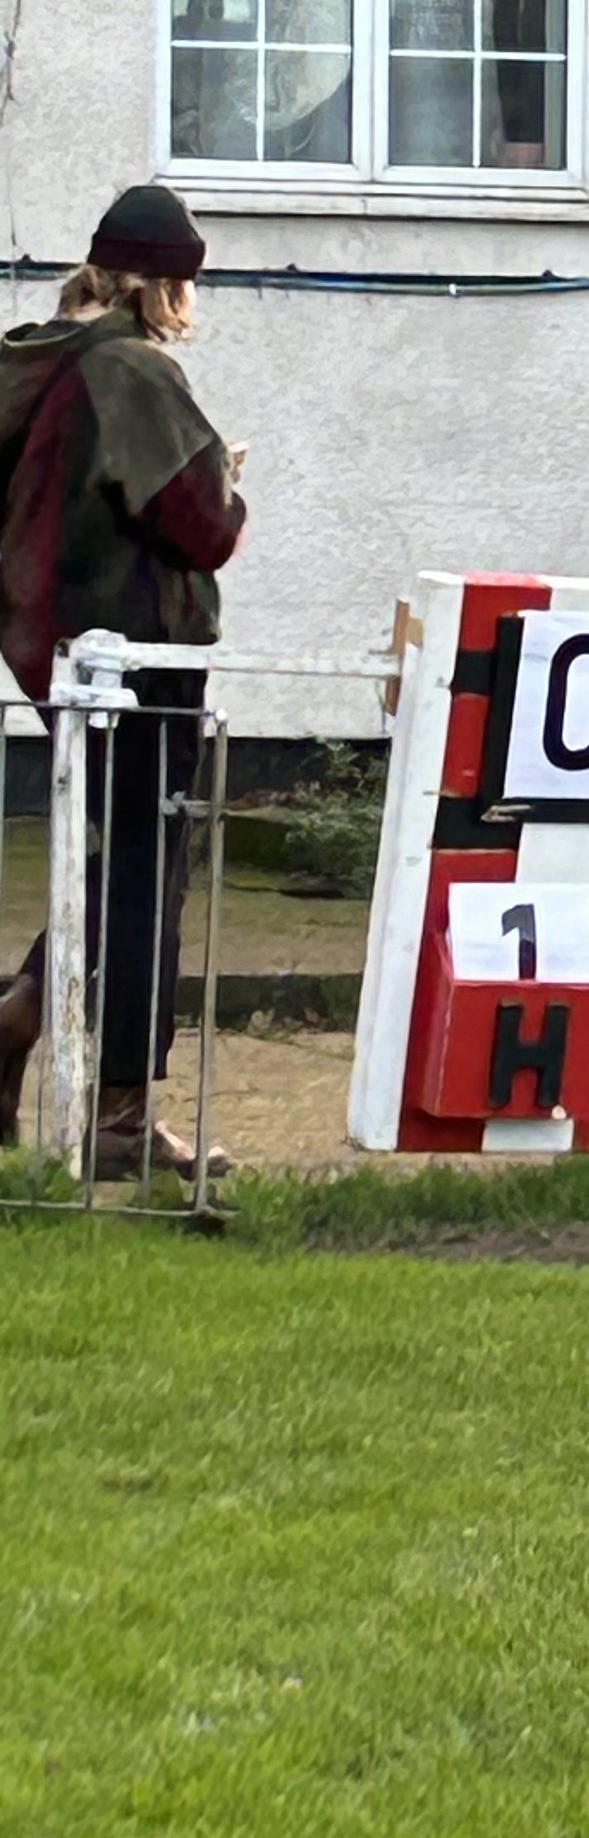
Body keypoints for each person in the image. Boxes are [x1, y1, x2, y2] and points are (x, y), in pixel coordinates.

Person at [0, 186, 246, 1179]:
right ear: (166, 285)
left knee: (109, 866)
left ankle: (16, 1021)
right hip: (139, 654)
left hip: (56, 650)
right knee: (150, 880)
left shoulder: (39, 361)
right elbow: (202, 527)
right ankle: (119, 1115)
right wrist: (230, 478)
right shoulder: (133, 372)